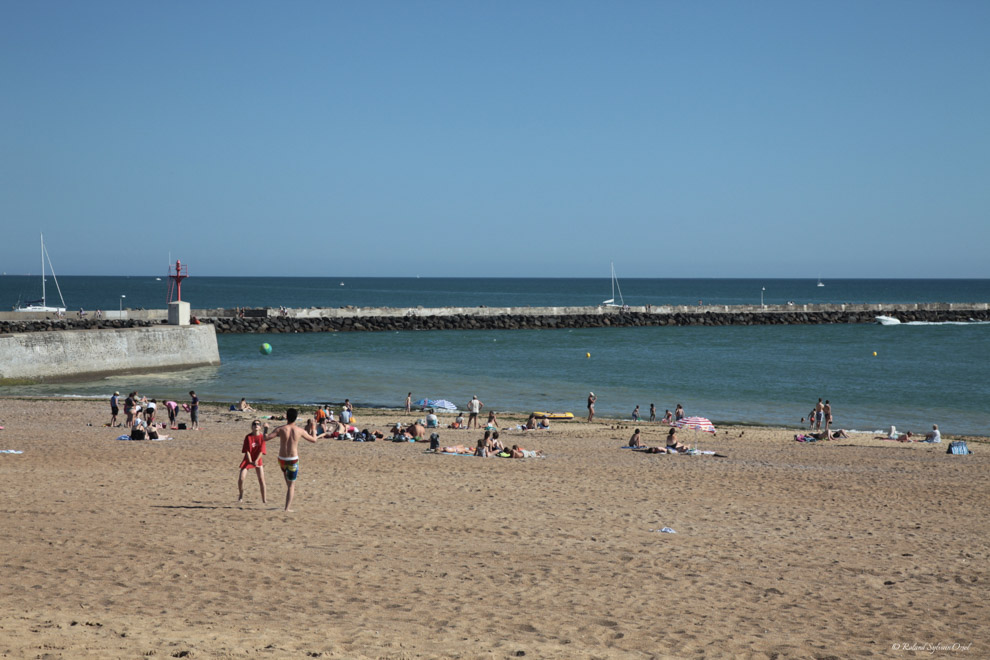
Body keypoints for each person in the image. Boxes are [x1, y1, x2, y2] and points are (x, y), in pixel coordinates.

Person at [264, 408, 318, 512]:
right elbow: (314, 439)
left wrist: (266, 428)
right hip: (292, 459)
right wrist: (314, 427)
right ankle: (287, 508)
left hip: (282, 459)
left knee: (289, 484)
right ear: (296, 418)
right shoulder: (299, 430)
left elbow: (265, 438)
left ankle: (287, 504)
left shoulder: (280, 429)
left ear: (287, 417)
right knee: (291, 485)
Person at [238, 420, 267, 504]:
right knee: (241, 478)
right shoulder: (248, 437)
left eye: (258, 424)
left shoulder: (262, 437)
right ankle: (241, 494)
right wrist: (250, 461)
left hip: (258, 459)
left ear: (260, 427)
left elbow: (262, 451)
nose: (256, 425)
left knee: (261, 480)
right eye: (254, 424)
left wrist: (256, 461)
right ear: (252, 427)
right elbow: (247, 451)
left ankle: (264, 500)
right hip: (248, 459)